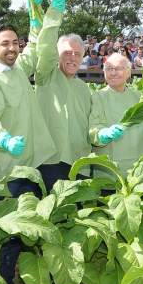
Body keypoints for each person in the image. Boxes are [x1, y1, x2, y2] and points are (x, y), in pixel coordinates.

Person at [0, 0, 68, 284]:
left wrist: (49, 5)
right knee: (9, 231)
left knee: (30, 224)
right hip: (7, 168)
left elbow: (39, 40)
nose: (13, 47)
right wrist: (2, 138)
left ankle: (16, 281)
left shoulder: (18, 68)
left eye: (16, 42)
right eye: (5, 43)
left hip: (32, 161)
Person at [35, 32, 91, 189]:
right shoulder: (45, 77)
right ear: (57, 55)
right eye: (67, 53)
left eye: (77, 54)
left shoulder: (83, 88)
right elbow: (44, 52)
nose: (72, 58)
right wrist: (54, 15)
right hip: (51, 161)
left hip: (80, 160)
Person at [88, 53, 143, 178]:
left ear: (128, 73)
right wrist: (102, 134)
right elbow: (93, 128)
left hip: (139, 169)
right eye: (109, 69)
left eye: (119, 68)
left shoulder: (140, 97)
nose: (113, 73)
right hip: (110, 171)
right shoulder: (97, 97)